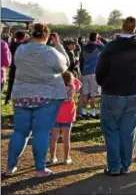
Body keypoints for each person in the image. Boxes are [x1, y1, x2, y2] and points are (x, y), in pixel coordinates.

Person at [3, 25, 69, 179]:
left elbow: (17, 64)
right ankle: (40, 169)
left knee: (19, 132)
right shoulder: (51, 52)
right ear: (46, 36)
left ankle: (10, 167)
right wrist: (58, 45)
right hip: (46, 97)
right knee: (41, 132)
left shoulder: (20, 50)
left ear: (30, 34)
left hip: (21, 96)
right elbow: (64, 65)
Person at [96, 17, 136, 176]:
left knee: (111, 130)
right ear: (135, 30)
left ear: (121, 28)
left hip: (112, 91)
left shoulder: (110, 47)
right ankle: (125, 165)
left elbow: (100, 72)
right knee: (129, 131)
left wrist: (103, 83)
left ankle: (114, 166)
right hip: (134, 91)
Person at [49, 71, 82, 165]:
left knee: (53, 138)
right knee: (66, 138)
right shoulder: (73, 87)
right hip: (68, 116)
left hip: (56, 115)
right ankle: (66, 158)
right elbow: (79, 82)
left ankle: (52, 157)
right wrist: (71, 78)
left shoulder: (56, 89)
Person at [79, 32, 105, 119]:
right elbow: (108, 45)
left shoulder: (84, 48)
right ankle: (93, 114)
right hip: (94, 73)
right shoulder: (99, 47)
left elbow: (81, 62)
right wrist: (101, 39)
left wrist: (82, 72)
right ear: (96, 38)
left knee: (85, 94)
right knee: (93, 94)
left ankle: (84, 113)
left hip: (84, 73)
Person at [5, 31, 28, 104]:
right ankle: (18, 100)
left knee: (10, 84)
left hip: (13, 66)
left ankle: (7, 99)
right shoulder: (25, 46)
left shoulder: (12, 44)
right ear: (24, 37)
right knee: (20, 84)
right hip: (21, 68)